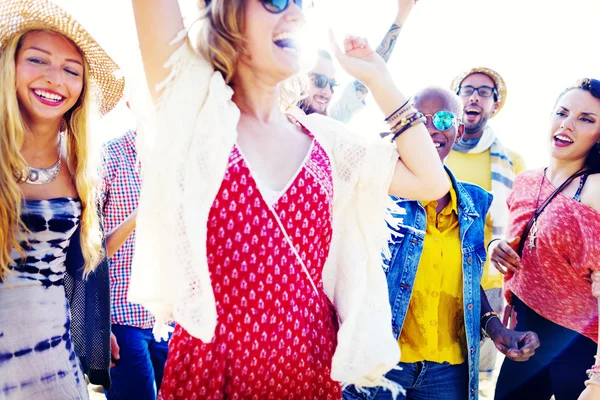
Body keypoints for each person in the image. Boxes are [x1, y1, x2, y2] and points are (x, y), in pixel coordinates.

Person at [127, 0, 451, 397]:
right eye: (276, 2)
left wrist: (378, 76)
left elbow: (430, 181)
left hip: (309, 366)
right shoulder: (198, 112)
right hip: (216, 369)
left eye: (300, 4)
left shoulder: (326, 141)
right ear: (226, 14)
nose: (296, 14)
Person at [343, 87, 539, 400]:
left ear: (459, 130)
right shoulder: (374, 191)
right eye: (419, 119)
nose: (431, 128)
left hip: (447, 371)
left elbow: (468, 280)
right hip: (380, 362)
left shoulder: (473, 203)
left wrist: (496, 329)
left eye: (444, 119)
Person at [0, 0, 125, 397]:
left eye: (72, 70)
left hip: (55, 363)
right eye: (38, 60)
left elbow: (83, 263)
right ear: (11, 66)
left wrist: (96, 330)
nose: (56, 79)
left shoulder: (80, 167)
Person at [491, 78, 600, 399]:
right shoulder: (525, 181)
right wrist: (495, 247)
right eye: (562, 112)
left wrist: (597, 381)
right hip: (526, 338)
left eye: (586, 119)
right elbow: (521, 244)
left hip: (581, 347)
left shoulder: (596, 189)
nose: (567, 125)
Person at [447, 67, 526, 385]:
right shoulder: (432, 148)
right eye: (467, 89)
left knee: (475, 376)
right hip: (431, 273)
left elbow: (518, 226)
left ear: (494, 105)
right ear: (456, 100)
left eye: (484, 92)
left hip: (487, 283)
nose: (475, 96)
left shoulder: (512, 162)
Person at [101, 128, 171, 399]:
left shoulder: (184, 159)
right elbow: (87, 251)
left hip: (169, 319)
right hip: (121, 317)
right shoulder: (107, 156)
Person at [298, 0, 416, 123]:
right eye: (319, 81)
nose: (327, 91)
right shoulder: (278, 121)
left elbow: (370, 75)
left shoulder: (332, 124)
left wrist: (401, 17)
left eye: (332, 85)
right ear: (299, 80)